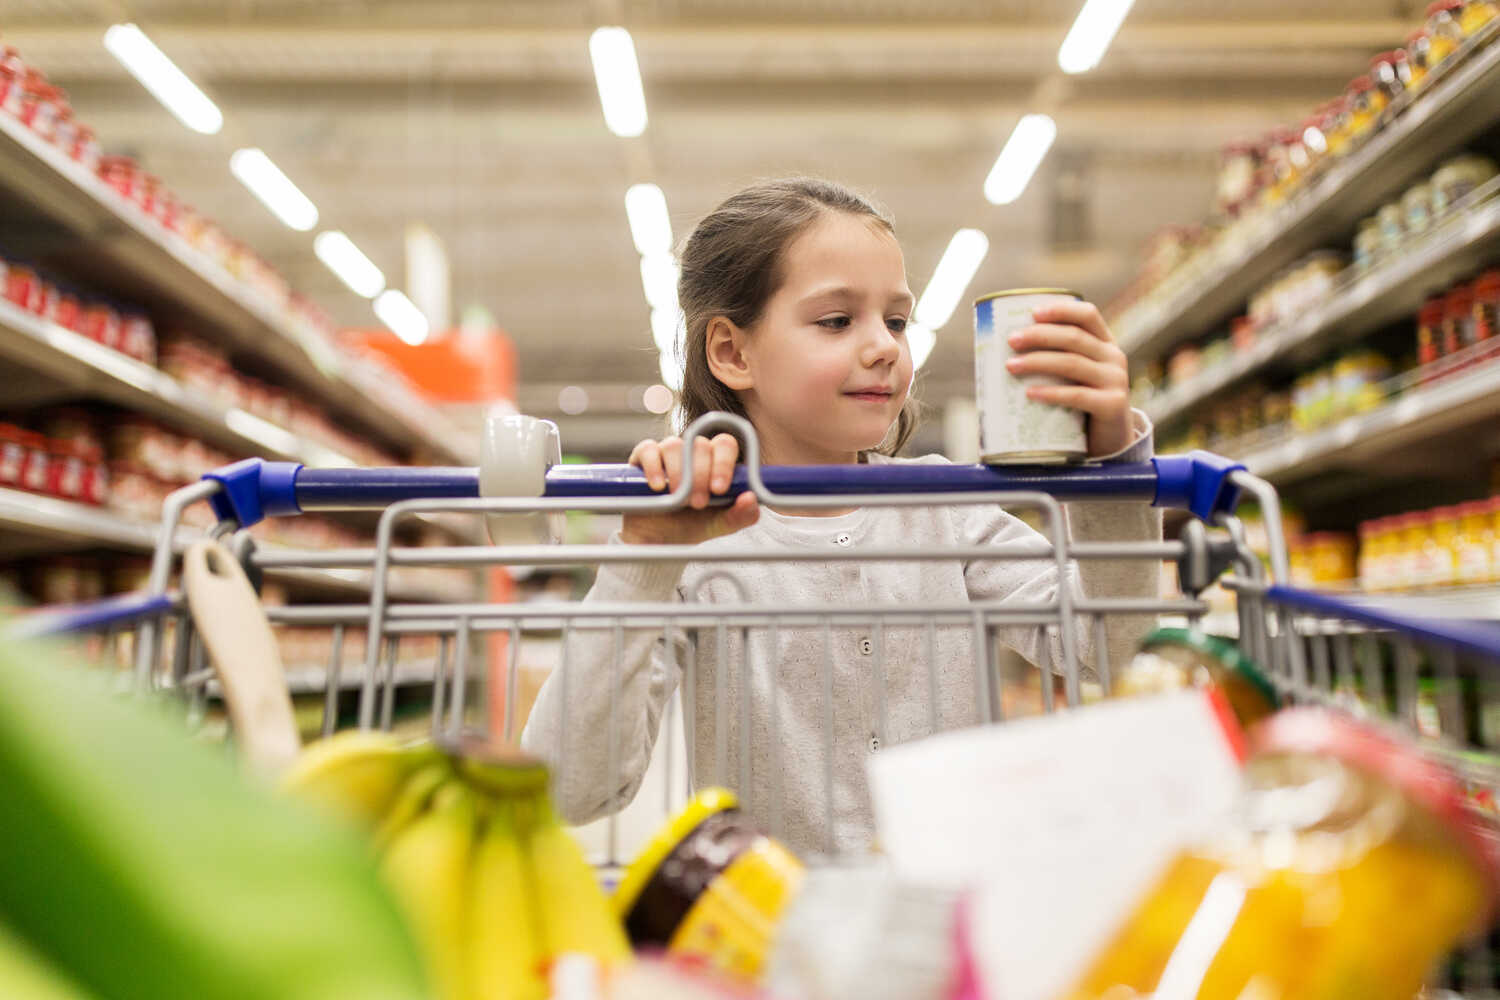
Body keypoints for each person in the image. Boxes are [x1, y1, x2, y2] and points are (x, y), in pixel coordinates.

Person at [522, 177, 1160, 855]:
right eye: (836, 320)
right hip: (771, 932)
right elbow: (568, 788)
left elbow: (1110, 650)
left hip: (951, 925)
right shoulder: (695, 544)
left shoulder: (947, 510)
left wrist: (1112, 466)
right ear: (733, 353)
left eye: (896, 320)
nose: (885, 346)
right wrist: (644, 560)